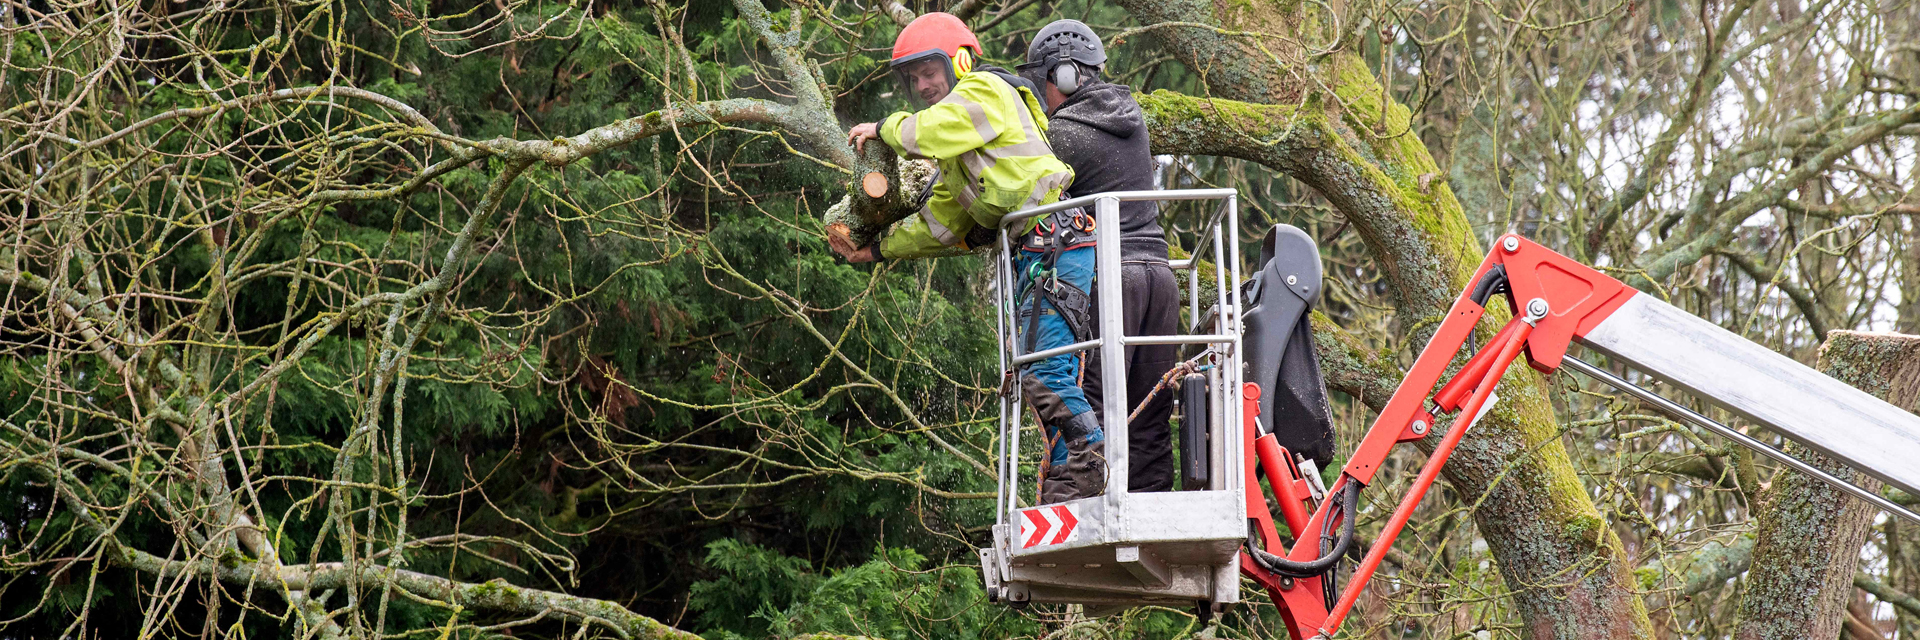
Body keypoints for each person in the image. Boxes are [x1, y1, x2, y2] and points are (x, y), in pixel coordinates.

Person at [835, 13, 1106, 503]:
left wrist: (883, 128)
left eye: (929, 72)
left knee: (1045, 370)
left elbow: (930, 130)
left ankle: (1090, 457)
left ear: (957, 62)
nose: (922, 86)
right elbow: (939, 225)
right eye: (912, 79)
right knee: (1040, 371)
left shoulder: (983, 92)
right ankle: (1070, 482)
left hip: (1056, 241)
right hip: (1036, 250)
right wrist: (873, 250)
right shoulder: (962, 158)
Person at [1018, 20, 1179, 492]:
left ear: (1065, 76)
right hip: (1158, 278)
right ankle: (1150, 505)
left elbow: (1022, 191)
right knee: (1148, 414)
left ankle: (1074, 507)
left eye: (1041, 82)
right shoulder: (1130, 117)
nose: (1040, 95)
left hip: (1111, 280)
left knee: (1088, 403)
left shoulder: (1066, 134)